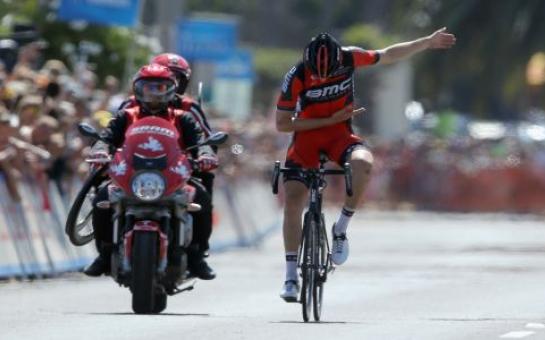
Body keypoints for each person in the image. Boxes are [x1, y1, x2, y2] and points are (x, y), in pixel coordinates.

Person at [275, 28, 456, 301]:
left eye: (329, 73)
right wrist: (329, 118)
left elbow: (389, 54)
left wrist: (426, 42)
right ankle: (290, 276)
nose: (323, 78)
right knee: (293, 197)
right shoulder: (296, 75)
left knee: (364, 163)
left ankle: (341, 229)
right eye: (318, 75)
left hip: (340, 135)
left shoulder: (350, 58)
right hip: (306, 139)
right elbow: (282, 124)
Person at [83, 64, 218, 280]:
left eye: (161, 87)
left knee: (201, 197)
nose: (155, 93)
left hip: (172, 175)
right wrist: (100, 151)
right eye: (149, 87)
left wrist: (205, 154)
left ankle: (196, 255)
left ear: (171, 89)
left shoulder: (183, 117)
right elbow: (106, 138)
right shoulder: (126, 115)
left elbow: (201, 141)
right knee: (101, 198)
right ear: (138, 89)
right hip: (131, 175)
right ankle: (105, 253)